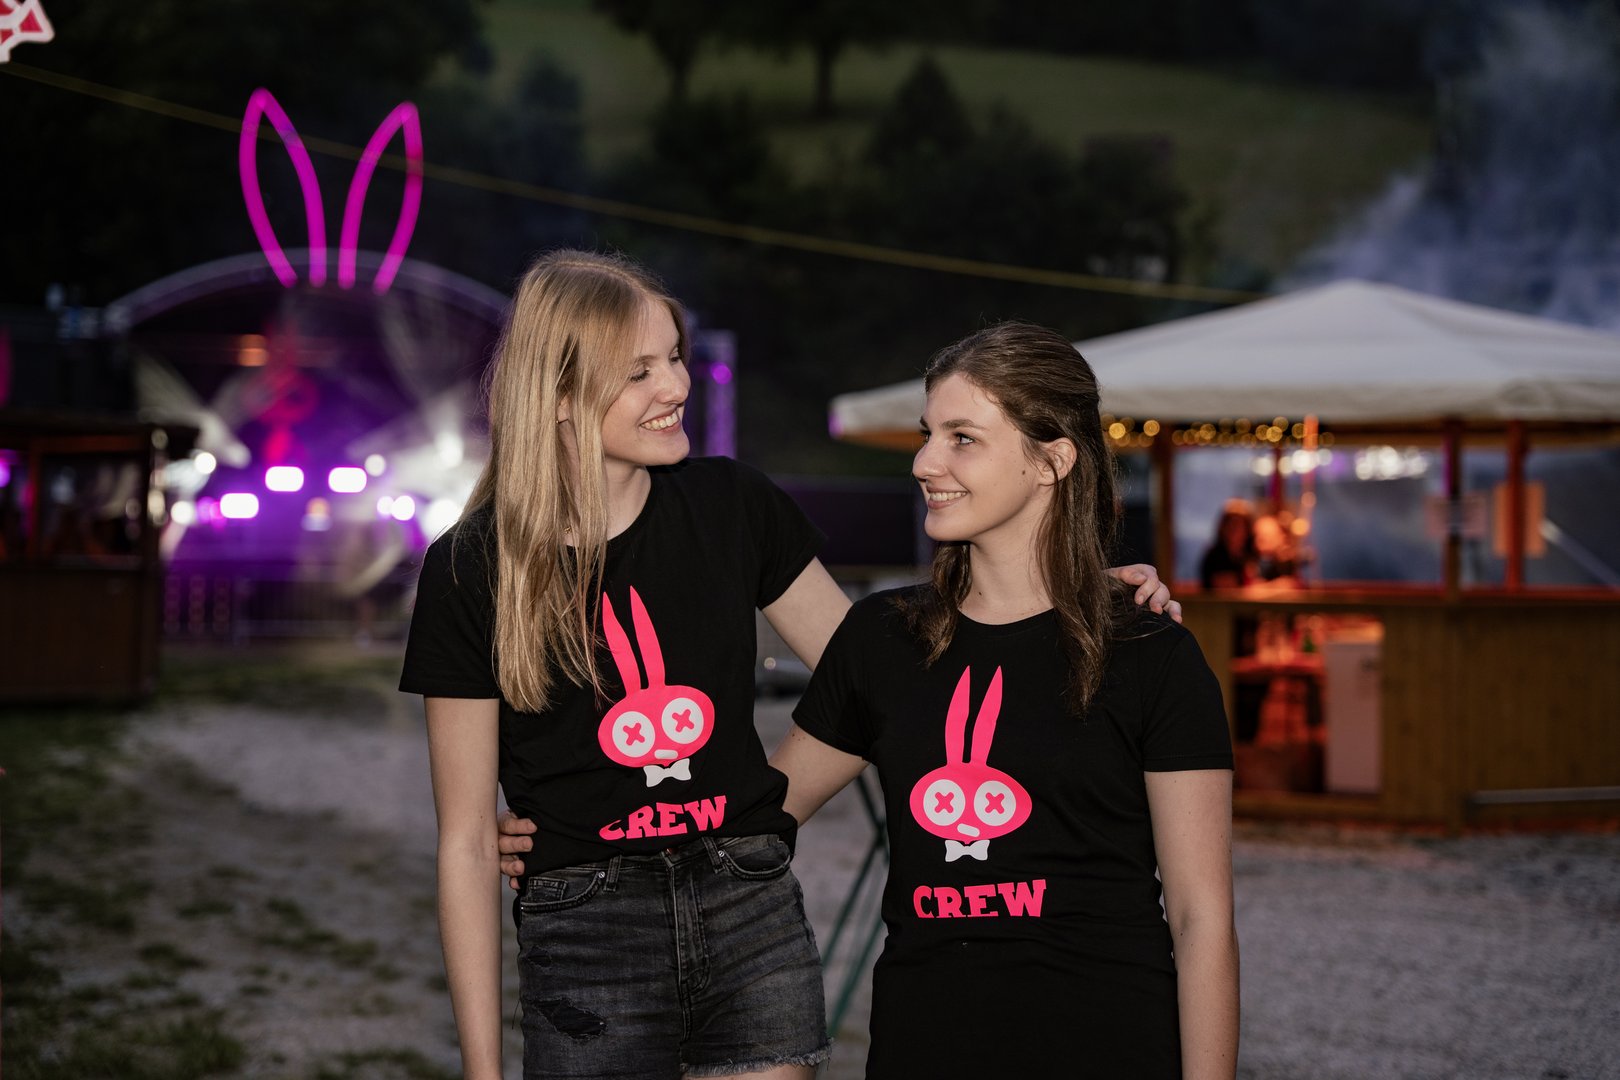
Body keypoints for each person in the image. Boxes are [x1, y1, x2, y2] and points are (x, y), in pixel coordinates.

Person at [413, 250, 1178, 1079]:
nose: (676, 385)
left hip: (748, 903)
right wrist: (482, 1071)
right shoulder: (471, 568)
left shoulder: (731, 505)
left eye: (674, 356)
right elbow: (465, 845)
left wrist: (1063, 592)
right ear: (559, 394)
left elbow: (888, 670)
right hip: (589, 925)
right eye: (640, 371)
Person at [770, 323, 1238, 1077]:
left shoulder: (1151, 653)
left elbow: (1201, 918)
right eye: (928, 434)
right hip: (926, 1050)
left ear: (1053, 460)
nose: (925, 462)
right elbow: (755, 821)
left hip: (1110, 1047)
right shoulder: (884, 640)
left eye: (962, 438)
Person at [1199, 500, 1256, 591]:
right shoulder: (1215, 557)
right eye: (1231, 524)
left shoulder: (1249, 554)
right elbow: (1229, 590)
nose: (1235, 529)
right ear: (1223, 527)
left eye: (1240, 525)